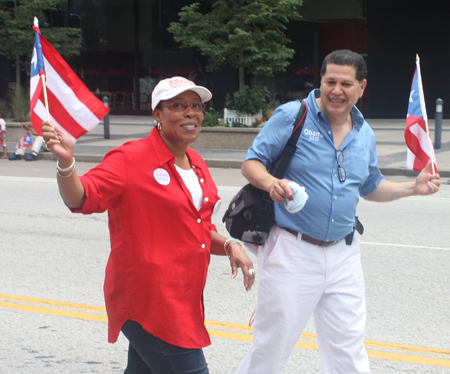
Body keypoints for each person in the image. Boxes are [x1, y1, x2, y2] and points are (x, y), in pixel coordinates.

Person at [236, 50, 441, 374]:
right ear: (321, 81)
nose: (336, 90)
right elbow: (251, 162)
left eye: (346, 83)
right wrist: (271, 182)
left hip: (344, 254)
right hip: (292, 249)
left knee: (348, 348)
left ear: (362, 86)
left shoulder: (365, 134)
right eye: (330, 81)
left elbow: (370, 185)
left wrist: (411, 188)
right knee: (272, 345)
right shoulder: (294, 115)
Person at [41, 76, 256, 374]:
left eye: (196, 106)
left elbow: (196, 229)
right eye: (178, 106)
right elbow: (81, 197)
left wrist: (230, 244)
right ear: (157, 115)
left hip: (183, 299)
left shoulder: (196, 163)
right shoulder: (130, 158)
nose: (190, 112)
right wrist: (67, 164)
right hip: (148, 303)